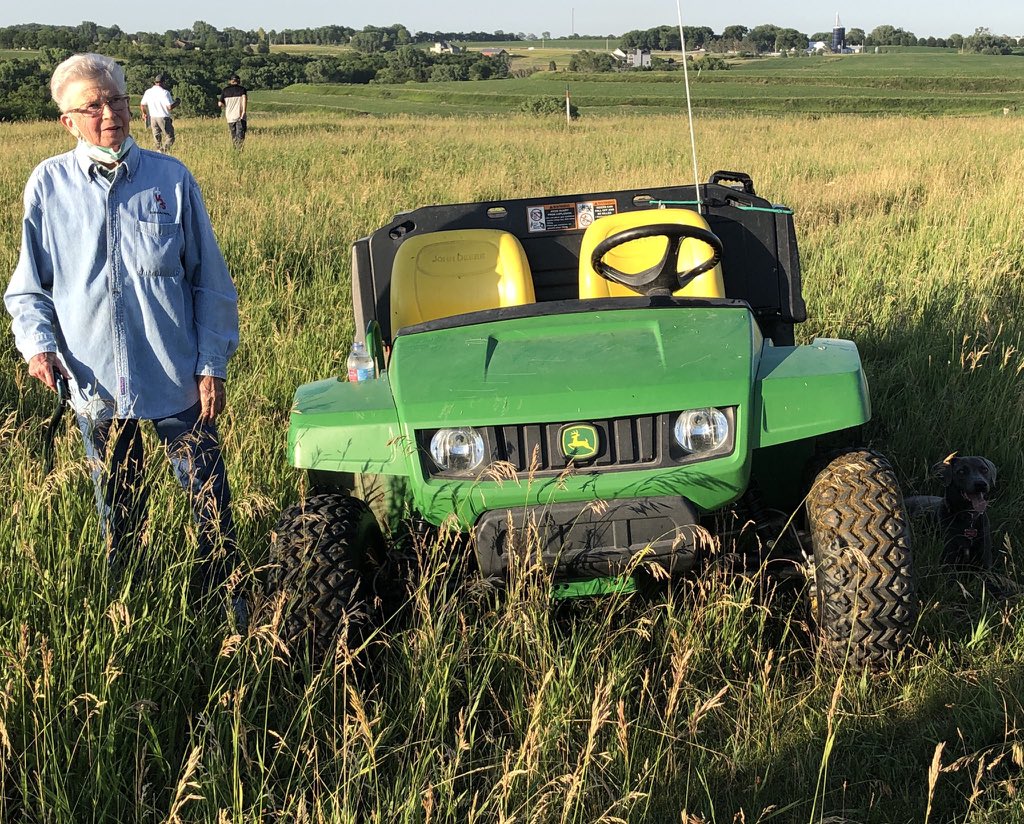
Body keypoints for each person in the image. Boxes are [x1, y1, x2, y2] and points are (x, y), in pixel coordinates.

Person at [4, 53, 242, 618]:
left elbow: (210, 282)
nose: (108, 114)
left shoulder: (172, 178)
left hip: (177, 380)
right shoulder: (48, 185)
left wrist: (212, 364)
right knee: (118, 510)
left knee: (210, 503)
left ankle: (224, 606)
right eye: (92, 106)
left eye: (114, 100)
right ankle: (130, 611)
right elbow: (27, 288)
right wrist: (37, 345)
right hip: (97, 386)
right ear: (67, 120)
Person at [139, 73, 179, 153]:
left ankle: (157, 151)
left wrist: (144, 113)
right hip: (163, 117)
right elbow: (169, 107)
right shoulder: (165, 92)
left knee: (157, 138)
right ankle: (162, 151)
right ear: (163, 82)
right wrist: (177, 102)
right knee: (170, 137)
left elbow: (142, 105)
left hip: (153, 117)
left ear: (155, 82)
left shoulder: (148, 92)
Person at [217, 73, 247, 148]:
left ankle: (235, 151)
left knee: (234, 137)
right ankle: (239, 152)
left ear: (230, 81)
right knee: (240, 137)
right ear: (238, 81)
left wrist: (226, 107)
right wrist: (243, 111)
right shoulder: (242, 89)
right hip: (240, 117)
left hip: (229, 117)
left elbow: (220, 104)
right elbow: (244, 99)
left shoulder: (225, 90)